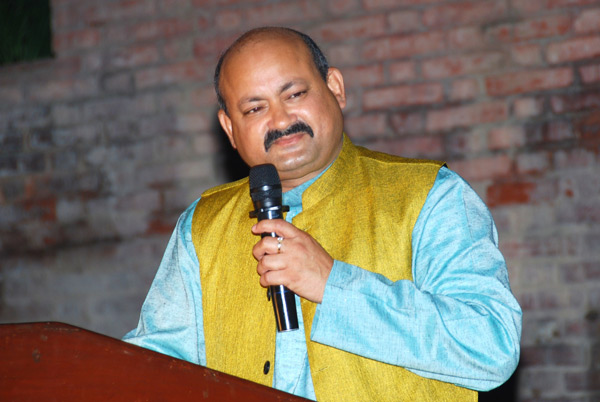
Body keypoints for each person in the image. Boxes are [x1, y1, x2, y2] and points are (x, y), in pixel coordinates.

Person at [124, 27, 522, 401]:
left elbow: (491, 346)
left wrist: (334, 286)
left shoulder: (429, 194)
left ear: (335, 88)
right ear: (229, 128)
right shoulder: (202, 226)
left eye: (295, 94)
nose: (281, 120)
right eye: (255, 108)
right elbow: (149, 371)